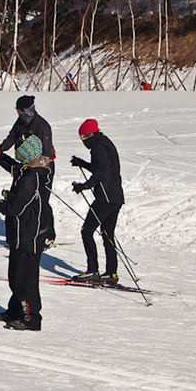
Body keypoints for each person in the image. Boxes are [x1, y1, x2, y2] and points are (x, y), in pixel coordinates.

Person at [0, 135, 55, 331]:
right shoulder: (29, 170)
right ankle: (16, 310)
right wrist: (0, 156)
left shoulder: (31, 178)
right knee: (16, 275)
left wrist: (2, 205)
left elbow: (17, 207)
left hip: (29, 234)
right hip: (21, 233)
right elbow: (14, 168)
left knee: (25, 279)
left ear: (27, 155)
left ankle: (31, 317)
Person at [70, 119, 125, 284]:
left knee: (87, 231)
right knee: (107, 233)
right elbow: (102, 168)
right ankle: (111, 273)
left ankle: (92, 270)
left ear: (90, 134)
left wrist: (84, 186)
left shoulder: (97, 147)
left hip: (105, 198)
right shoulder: (104, 143)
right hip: (116, 197)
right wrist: (83, 163)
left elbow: (101, 173)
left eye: (84, 137)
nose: (83, 140)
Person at [0, 94, 56, 186]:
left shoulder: (42, 126)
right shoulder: (21, 121)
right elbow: (12, 136)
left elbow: (47, 154)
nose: (18, 114)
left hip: (43, 167)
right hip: (27, 164)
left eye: (19, 112)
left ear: (27, 111)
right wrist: (0, 149)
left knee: (38, 198)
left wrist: (33, 166)